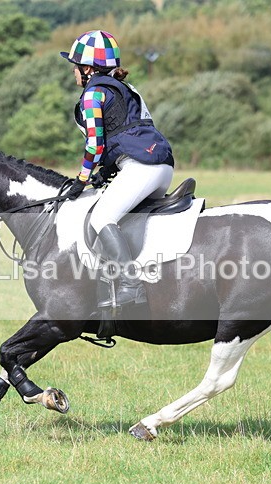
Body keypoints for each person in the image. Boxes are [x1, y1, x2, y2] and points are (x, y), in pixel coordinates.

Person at [62, 30, 174, 312]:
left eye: (76, 66)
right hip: (162, 166)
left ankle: (130, 284)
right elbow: (132, 132)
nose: (74, 71)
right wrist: (108, 169)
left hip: (142, 168)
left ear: (88, 69)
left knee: (102, 217)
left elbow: (95, 144)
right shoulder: (128, 89)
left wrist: (82, 178)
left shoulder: (92, 95)